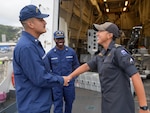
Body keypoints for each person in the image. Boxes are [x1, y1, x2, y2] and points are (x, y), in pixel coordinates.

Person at [67, 22, 150, 113]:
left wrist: (143, 107)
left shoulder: (118, 52)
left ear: (109, 35)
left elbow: (136, 76)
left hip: (121, 106)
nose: (97, 34)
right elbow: (87, 66)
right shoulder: (103, 53)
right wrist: (70, 76)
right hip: (107, 105)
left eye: (100, 31)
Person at [13, 5, 69, 113]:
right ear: (31, 24)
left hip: (39, 104)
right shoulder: (27, 47)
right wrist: (62, 80)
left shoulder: (33, 44)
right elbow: (40, 78)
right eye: (40, 19)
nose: (45, 22)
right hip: (33, 107)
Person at [47, 30, 80, 113]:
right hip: (57, 84)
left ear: (64, 39)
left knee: (69, 102)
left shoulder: (71, 52)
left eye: (62, 38)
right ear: (54, 40)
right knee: (57, 104)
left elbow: (76, 67)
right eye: (58, 39)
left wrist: (72, 78)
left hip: (69, 83)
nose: (60, 41)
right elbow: (47, 70)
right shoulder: (50, 54)